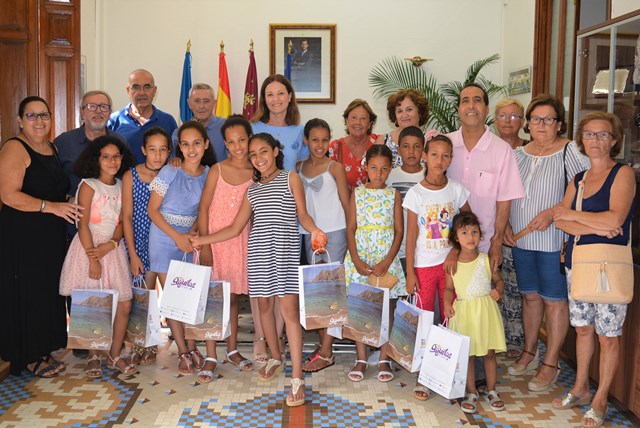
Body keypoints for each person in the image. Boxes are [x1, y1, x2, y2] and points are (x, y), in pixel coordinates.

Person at [191, 133, 327, 407]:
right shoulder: (252, 189)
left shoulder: (290, 178)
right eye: (253, 154)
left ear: (276, 151)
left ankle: (297, 377)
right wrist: (202, 240)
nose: (258, 158)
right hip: (258, 255)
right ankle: (276, 356)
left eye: (263, 151)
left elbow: (302, 214)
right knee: (263, 308)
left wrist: (314, 230)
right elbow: (235, 228)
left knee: (288, 312)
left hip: (285, 254)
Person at [551, 112, 635, 428]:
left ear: (614, 140)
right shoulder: (579, 179)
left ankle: (600, 399)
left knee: (608, 336)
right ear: (581, 140)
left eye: (602, 135)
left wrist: (581, 220)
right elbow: (560, 219)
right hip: (578, 263)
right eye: (589, 134)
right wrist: (597, 225)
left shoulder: (623, 174)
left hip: (608, 268)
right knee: (583, 329)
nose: (595, 140)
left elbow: (616, 219)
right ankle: (581, 387)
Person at [505, 95, 590, 392]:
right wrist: (504, 224)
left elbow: (587, 188)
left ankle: (551, 363)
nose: (541, 125)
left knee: (554, 301)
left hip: (555, 240)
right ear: (528, 123)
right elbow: (506, 194)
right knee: (529, 297)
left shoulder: (571, 151)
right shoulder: (518, 154)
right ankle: (530, 352)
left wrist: (553, 213)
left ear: (559, 123)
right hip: (522, 239)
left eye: (548, 119)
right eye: (535, 119)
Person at [446, 83, 524, 394]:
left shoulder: (501, 150)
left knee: (480, 304)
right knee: (452, 302)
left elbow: (505, 198)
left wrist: (495, 243)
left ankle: (479, 374)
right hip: (447, 244)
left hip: (484, 243)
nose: (471, 105)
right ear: (458, 109)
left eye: (478, 100)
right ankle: (449, 369)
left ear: (486, 109)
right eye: (465, 100)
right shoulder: (446, 144)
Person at [0, 96, 82, 377]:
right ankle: (29, 355)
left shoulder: (52, 147)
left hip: (50, 234)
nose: (39, 121)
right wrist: (52, 207)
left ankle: (46, 346)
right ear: (20, 120)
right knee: (30, 293)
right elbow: (9, 195)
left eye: (43, 115)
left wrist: (74, 200)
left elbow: (55, 190)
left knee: (48, 290)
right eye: (31, 116)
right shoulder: (15, 147)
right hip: (23, 235)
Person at [59, 135, 137, 377]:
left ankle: (114, 354)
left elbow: (123, 221)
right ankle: (93, 355)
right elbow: (82, 225)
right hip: (89, 249)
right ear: (97, 159)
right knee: (94, 302)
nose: (112, 161)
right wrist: (93, 258)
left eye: (116, 156)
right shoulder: (88, 185)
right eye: (106, 157)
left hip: (112, 250)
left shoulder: (123, 185)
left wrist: (112, 244)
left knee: (124, 303)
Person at [404, 133, 470, 401]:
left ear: (451, 159)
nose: (439, 160)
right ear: (424, 156)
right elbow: (410, 237)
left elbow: (467, 227)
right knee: (424, 322)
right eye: (434, 154)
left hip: (450, 269)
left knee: (449, 318)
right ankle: (424, 375)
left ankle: (447, 374)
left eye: (445, 155)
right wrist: (410, 272)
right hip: (423, 267)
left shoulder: (456, 190)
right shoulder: (415, 193)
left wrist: (455, 251)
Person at [147, 121, 215, 379]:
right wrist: (176, 236)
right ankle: (184, 350)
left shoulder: (209, 174)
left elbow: (204, 210)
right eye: (185, 144)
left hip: (190, 239)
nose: (191, 149)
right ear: (179, 148)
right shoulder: (169, 171)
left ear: (206, 144)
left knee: (188, 294)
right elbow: (153, 210)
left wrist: (194, 232)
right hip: (164, 236)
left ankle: (193, 344)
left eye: (196, 143)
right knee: (174, 296)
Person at [196, 115, 258, 373]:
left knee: (232, 299)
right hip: (214, 242)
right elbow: (204, 208)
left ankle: (232, 350)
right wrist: (206, 246)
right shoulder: (217, 170)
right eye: (231, 142)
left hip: (240, 243)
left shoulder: (256, 173)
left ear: (249, 139)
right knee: (213, 299)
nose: (238, 146)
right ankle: (211, 355)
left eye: (242, 140)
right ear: (225, 144)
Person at [343, 145, 406, 384]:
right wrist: (356, 259)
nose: (378, 173)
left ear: (390, 170)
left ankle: (383, 358)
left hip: (384, 258)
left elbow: (399, 231)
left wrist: (388, 261)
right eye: (373, 168)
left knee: (386, 310)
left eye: (384, 169)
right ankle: (361, 358)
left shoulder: (393, 195)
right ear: (365, 167)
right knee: (360, 308)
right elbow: (351, 228)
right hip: (362, 256)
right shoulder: (357, 193)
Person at [298, 118, 349, 373]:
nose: (320, 145)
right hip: (310, 233)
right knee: (316, 291)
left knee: (331, 290)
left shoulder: (335, 168)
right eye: (315, 139)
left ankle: (327, 351)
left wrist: (352, 237)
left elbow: (347, 203)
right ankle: (324, 346)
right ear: (306, 140)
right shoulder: (298, 167)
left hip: (335, 232)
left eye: (325, 139)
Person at [444, 212, 507, 414]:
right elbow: (448, 289)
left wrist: (499, 290)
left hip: (485, 313)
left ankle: (492, 390)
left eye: (474, 232)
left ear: (481, 235)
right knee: (468, 355)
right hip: (464, 313)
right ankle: (471, 392)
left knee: (489, 353)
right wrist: (446, 304)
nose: (470, 237)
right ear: (456, 237)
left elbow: (498, 280)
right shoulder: (452, 264)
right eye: (464, 233)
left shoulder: (486, 260)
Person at [122, 126, 171, 366]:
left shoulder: (172, 173)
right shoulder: (131, 175)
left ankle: (162, 343)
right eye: (152, 149)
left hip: (164, 242)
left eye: (163, 150)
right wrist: (132, 254)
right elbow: (127, 217)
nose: (158, 155)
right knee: (143, 296)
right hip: (139, 242)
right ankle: (140, 344)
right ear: (143, 150)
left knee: (170, 296)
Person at [493, 97, 528, 359]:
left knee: (518, 288)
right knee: (494, 283)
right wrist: (499, 224)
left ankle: (517, 340)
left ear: (523, 121)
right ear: (495, 120)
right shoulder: (490, 149)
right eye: (503, 116)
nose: (508, 121)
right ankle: (494, 338)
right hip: (493, 226)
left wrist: (511, 224)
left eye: (514, 116)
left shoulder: (529, 151)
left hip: (522, 230)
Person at [55, 90, 128, 207]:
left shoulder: (120, 142)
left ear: (110, 113)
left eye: (104, 107)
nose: (98, 111)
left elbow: (127, 178)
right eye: (92, 107)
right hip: (73, 216)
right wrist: (66, 198)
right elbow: (52, 180)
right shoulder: (64, 142)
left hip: (111, 217)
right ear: (82, 112)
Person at [108, 69, 178, 164]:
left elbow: (176, 157)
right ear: (128, 90)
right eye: (136, 87)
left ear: (154, 91)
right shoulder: (114, 120)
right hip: (123, 178)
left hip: (160, 178)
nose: (141, 93)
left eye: (147, 87)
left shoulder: (168, 121)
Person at [387, 126, 427, 273]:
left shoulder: (429, 176)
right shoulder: (389, 176)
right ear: (398, 150)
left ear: (423, 151)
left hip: (424, 252)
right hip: (397, 251)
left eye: (416, 147)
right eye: (405, 146)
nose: (411, 152)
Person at [251, 74, 308, 171]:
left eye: (280, 93)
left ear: (289, 96)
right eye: (270, 94)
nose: (275, 99)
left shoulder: (301, 131)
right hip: (260, 185)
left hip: (290, 185)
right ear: (264, 99)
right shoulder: (252, 128)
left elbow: (307, 165)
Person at [329, 99, 378, 192]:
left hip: (374, 204)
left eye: (363, 118)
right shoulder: (334, 148)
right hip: (343, 205)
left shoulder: (379, 143)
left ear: (370, 124)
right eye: (354, 117)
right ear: (346, 121)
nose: (358, 123)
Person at [172, 83, 226, 162]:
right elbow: (173, 163)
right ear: (189, 104)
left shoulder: (226, 127)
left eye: (206, 101)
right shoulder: (178, 134)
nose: (201, 106)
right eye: (197, 101)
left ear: (214, 103)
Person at [375, 89, 429, 168]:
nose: (404, 115)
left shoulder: (430, 139)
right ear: (395, 116)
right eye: (399, 111)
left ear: (419, 112)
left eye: (409, 109)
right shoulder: (383, 141)